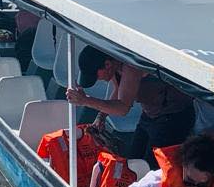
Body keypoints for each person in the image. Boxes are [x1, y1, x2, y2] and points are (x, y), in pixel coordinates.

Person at [66, 46, 195, 160]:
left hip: (174, 117)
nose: (98, 80)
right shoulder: (115, 65)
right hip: (150, 114)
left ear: (107, 65)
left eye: (96, 76)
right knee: (133, 162)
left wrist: (86, 101)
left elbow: (123, 108)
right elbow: (118, 90)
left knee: (150, 168)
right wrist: (102, 116)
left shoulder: (130, 66)